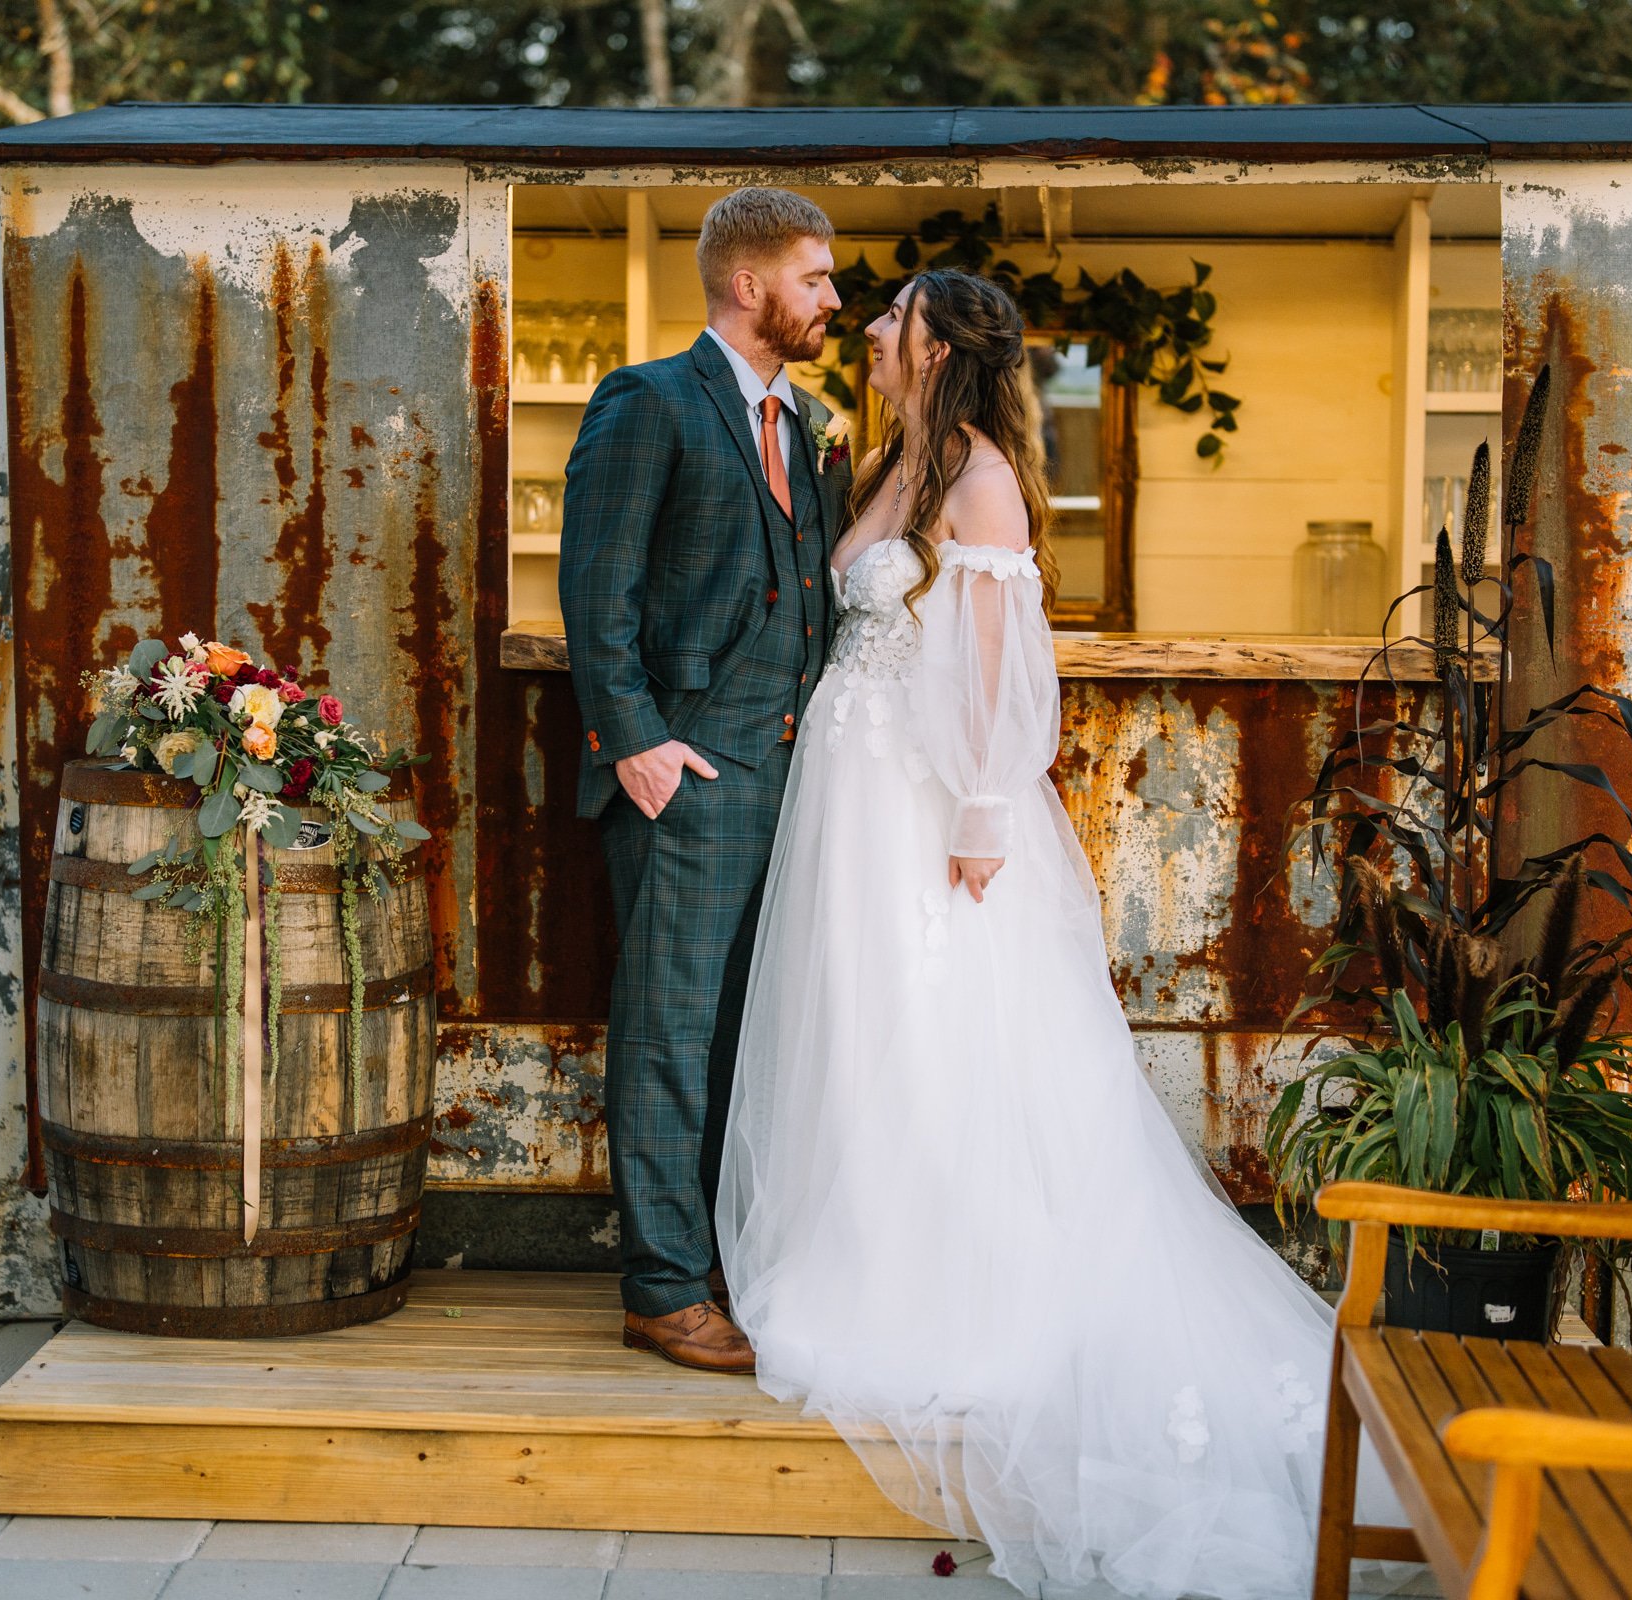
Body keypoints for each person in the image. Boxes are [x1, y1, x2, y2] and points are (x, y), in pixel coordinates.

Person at [716, 268, 1401, 1599]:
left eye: (891, 316)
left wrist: (980, 805)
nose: (868, 328)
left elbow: (999, 663)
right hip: (849, 799)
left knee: (942, 1036)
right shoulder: (891, 461)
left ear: (938, 348)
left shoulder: (979, 482)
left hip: (931, 811)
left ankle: (960, 1289)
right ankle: (870, 1251)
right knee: (861, 1032)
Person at [559, 187, 849, 1374]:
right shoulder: (650, 400)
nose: (834, 298)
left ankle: (725, 1253)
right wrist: (637, 743)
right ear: (748, 284)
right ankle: (662, 1286)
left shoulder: (817, 420)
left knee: (752, 1033)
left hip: (795, 779)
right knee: (671, 1035)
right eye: (816, 276)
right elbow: (598, 583)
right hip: (687, 773)